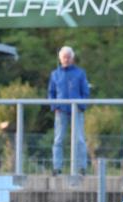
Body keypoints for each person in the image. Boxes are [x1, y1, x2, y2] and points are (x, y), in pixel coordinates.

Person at [48, 46, 89, 176]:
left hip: (77, 110)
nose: (66, 59)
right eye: (64, 57)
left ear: (72, 58)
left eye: (68, 57)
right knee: (58, 139)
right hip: (61, 111)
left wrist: (81, 106)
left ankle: (82, 168)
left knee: (79, 139)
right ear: (60, 59)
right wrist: (54, 107)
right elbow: (51, 93)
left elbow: (85, 92)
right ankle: (57, 167)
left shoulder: (80, 73)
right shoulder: (55, 74)